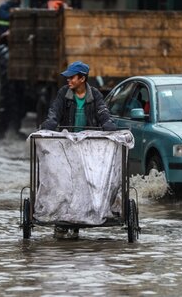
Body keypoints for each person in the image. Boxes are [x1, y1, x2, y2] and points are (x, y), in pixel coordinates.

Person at [40, 61, 116, 239]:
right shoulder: (63, 94)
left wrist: (108, 125)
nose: (68, 80)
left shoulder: (95, 95)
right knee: (65, 184)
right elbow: (54, 112)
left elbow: (103, 112)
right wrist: (48, 126)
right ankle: (62, 222)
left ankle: (80, 220)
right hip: (67, 146)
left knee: (86, 183)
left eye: (72, 77)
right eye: (68, 77)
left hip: (88, 148)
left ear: (82, 79)